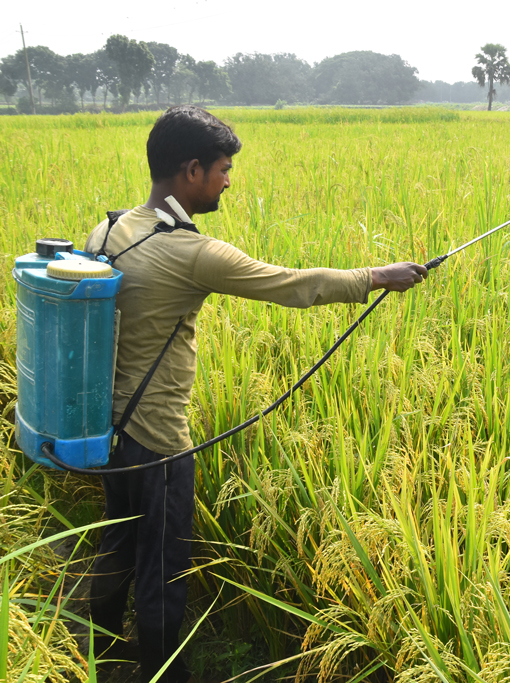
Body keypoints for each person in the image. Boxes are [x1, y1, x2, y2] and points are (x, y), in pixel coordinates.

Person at [85, 105, 427, 682]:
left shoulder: (110, 228)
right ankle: (167, 674)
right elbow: (293, 285)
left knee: (117, 542)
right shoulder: (191, 251)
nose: (227, 180)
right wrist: (376, 276)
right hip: (161, 442)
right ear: (192, 170)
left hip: (109, 430)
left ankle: (95, 653)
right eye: (222, 168)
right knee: (163, 568)